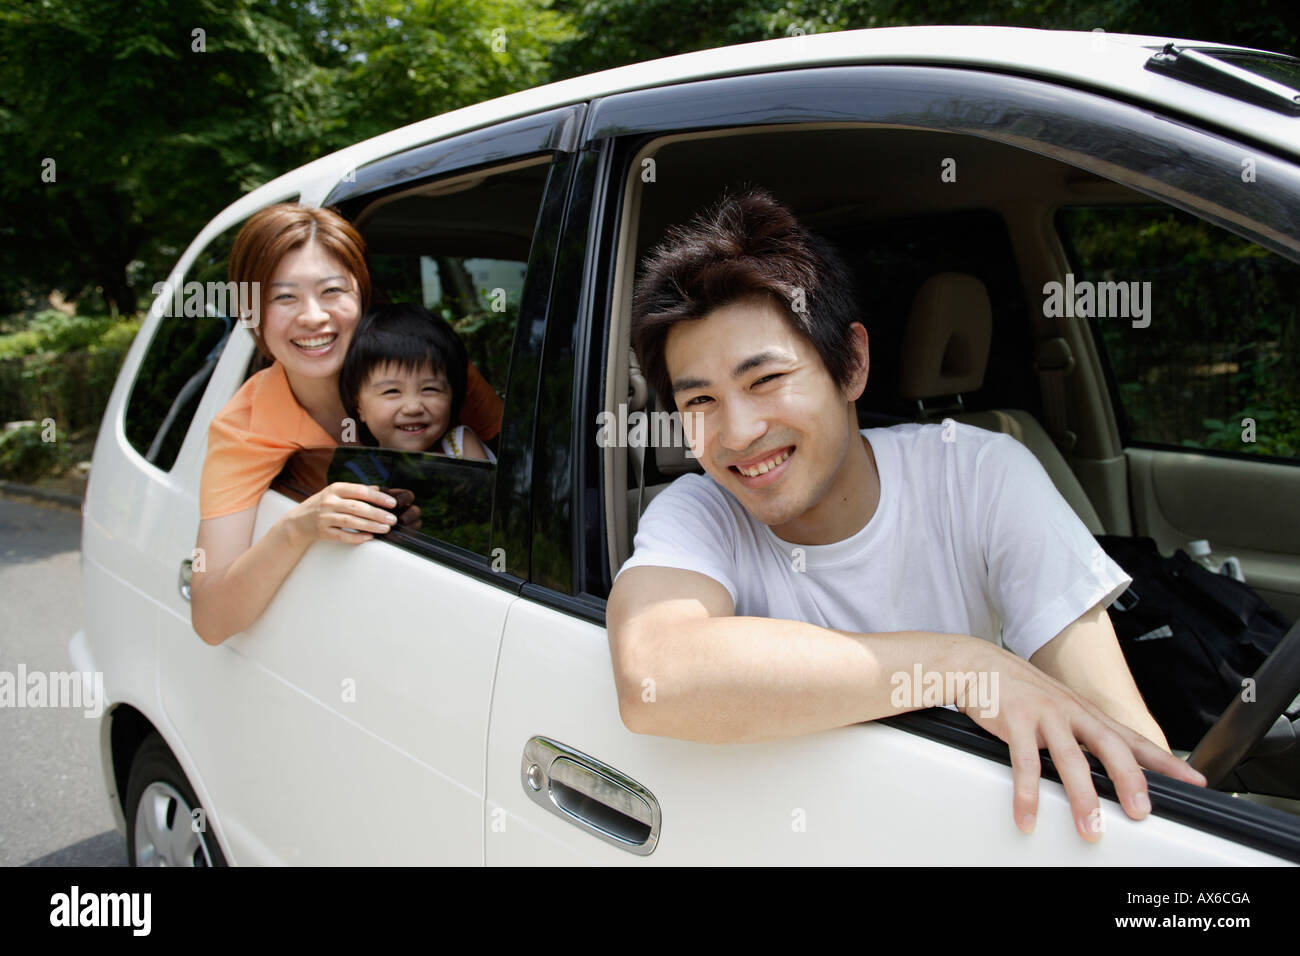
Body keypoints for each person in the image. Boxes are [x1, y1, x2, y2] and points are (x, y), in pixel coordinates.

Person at [606, 187, 1208, 842]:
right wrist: (965, 666)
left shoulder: (977, 474)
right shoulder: (699, 513)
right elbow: (654, 675)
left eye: (766, 380)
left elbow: (1123, 736)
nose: (740, 432)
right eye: (701, 402)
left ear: (852, 363)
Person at [191, 203, 501, 645]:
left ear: (361, 294)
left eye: (332, 290)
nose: (313, 316)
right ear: (250, 310)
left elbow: (523, 466)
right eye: (284, 297)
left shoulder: (426, 368)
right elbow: (211, 617)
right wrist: (300, 526)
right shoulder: (245, 428)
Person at [339, 302, 495, 463]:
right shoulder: (361, 470)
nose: (413, 408)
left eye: (429, 389)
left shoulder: (459, 448)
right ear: (359, 406)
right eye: (392, 391)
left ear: (451, 395)